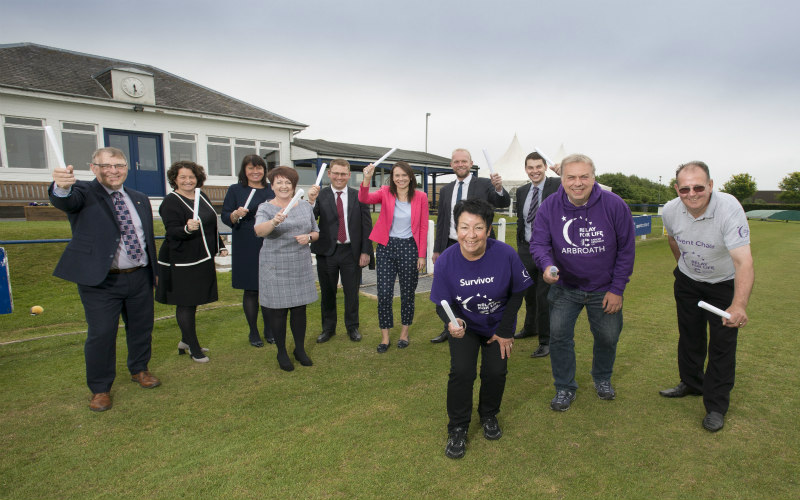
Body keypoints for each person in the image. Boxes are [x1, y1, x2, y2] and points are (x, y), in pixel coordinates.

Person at [49, 146, 160, 412]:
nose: (113, 171)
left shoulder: (140, 198)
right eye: (106, 166)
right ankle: (100, 388)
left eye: (119, 165)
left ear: (126, 168)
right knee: (101, 335)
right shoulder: (84, 193)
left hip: (139, 276)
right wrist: (60, 186)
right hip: (101, 282)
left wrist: (153, 273)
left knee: (141, 328)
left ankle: (139, 369)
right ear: (93, 168)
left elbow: (146, 240)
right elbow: (64, 200)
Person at [531, 153, 635, 412]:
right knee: (559, 338)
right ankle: (564, 387)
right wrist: (546, 265)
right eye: (571, 177)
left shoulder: (614, 205)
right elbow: (539, 243)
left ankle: (602, 379)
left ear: (593, 177)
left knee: (608, 338)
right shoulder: (549, 207)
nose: (577, 183)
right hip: (565, 288)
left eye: (583, 177)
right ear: (562, 179)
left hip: (604, 289)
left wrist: (617, 289)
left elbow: (626, 250)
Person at [430, 199, 531, 459]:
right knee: (462, 372)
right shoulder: (446, 261)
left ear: (488, 230)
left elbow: (518, 293)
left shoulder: (506, 254)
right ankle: (458, 428)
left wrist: (506, 330)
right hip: (466, 326)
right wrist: (453, 322)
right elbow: (442, 303)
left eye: (478, 228)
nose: (471, 235)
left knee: (496, 372)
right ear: (456, 229)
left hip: (499, 324)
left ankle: (488, 415)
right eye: (464, 227)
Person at [659, 161, 754, 432]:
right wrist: (683, 270)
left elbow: (743, 262)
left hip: (723, 284)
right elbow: (674, 240)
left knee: (722, 344)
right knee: (689, 334)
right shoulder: (670, 210)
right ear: (677, 189)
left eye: (699, 187)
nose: (692, 194)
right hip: (688, 281)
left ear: (711, 185)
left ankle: (715, 406)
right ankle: (691, 383)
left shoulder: (729, 208)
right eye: (685, 189)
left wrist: (738, 304)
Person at [430, 148, 510, 343]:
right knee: (450, 289)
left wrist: (499, 188)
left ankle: (480, 326)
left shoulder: (484, 184)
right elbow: (441, 221)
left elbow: (502, 201)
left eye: (464, 161)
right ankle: (450, 327)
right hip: (450, 243)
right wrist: (437, 249)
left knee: (474, 288)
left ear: (471, 163)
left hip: (475, 244)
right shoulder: (447, 189)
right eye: (456, 162)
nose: (460, 164)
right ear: (451, 165)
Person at [155, 161, 227, 363]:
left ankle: (185, 341)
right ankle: (193, 348)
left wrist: (220, 245)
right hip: (181, 261)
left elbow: (211, 223)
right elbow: (171, 231)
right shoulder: (171, 201)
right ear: (175, 179)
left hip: (201, 258)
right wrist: (186, 229)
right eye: (183, 177)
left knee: (194, 301)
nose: (188, 181)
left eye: (191, 177)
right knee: (186, 303)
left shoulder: (200, 196)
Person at [254, 166, 319, 371]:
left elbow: (315, 232)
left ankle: (299, 349)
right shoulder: (265, 208)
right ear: (272, 185)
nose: (283, 186)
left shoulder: (305, 206)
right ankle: (281, 351)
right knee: (279, 312)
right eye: (279, 182)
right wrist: (274, 221)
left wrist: (308, 237)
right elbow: (258, 231)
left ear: (294, 186)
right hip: (275, 266)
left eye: (287, 183)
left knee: (299, 310)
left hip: (299, 263)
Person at [359, 161, 428, 353]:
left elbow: (423, 227)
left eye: (404, 175)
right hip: (386, 247)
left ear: (410, 177)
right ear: (392, 178)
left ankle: (404, 333)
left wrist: (421, 255)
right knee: (384, 293)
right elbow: (364, 198)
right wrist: (366, 177)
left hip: (409, 248)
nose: (400, 179)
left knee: (407, 293)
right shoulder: (385, 192)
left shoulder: (421, 197)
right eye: (396, 175)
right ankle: (385, 337)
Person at [306, 159, 373, 343]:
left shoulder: (358, 195)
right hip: (327, 251)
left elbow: (367, 224)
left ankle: (352, 327)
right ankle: (328, 328)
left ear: (349, 175)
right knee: (328, 293)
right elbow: (309, 220)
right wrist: (310, 201)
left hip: (351, 252)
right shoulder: (320, 195)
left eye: (343, 174)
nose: (339, 177)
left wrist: (366, 251)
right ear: (329, 174)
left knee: (352, 293)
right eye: (336, 173)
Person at [222, 155, 275, 348]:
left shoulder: (271, 190)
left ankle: (270, 329)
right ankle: (253, 331)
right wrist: (235, 214)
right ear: (244, 170)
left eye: (259, 168)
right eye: (251, 168)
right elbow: (226, 215)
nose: (255, 172)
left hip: (269, 242)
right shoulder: (236, 190)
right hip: (246, 243)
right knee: (251, 290)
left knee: (269, 288)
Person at [514, 152, 561, 359]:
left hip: (548, 251)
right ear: (526, 169)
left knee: (544, 297)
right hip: (526, 250)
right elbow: (521, 221)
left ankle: (546, 340)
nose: (534, 171)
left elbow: (581, 186)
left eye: (538, 167)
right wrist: (520, 247)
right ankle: (530, 327)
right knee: (528, 294)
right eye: (530, 167)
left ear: (545, 167)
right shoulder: (522, 190)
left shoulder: (558, 185)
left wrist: (564, 172)